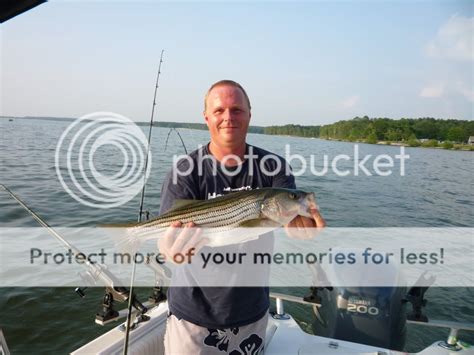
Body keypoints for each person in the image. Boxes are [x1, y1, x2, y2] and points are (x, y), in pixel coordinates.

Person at [158, 80, 326, 354]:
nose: (228, 117)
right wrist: (170, 250)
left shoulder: (273, 168)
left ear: (250, 114)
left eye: (236, 109)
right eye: (219, 110)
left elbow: (292, 220)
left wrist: (302, 228)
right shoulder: (185, 172)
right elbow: (168, 242)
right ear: (207, 117)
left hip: (252, 314)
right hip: (192, 318)